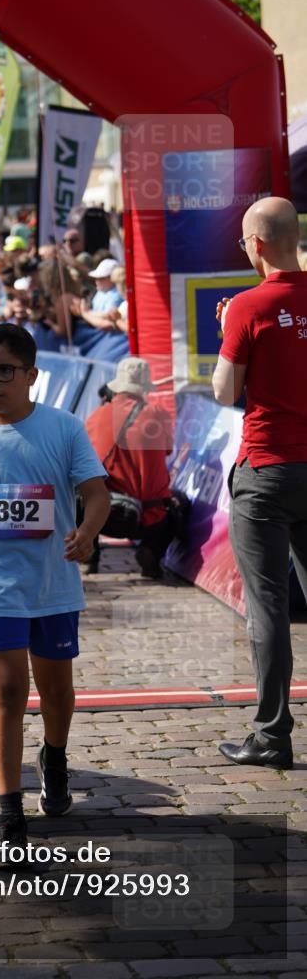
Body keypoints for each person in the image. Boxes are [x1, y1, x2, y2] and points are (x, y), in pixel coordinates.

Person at [0, 323, 110, 853]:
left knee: (56, 691)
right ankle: (10, 813)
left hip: (53, 582)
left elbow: (96, 493)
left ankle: (53, 759)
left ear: (32, 375)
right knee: (8, 692)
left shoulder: (63, 428)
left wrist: (86, 532)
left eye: (3, 371)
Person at [212, 196, 307, 770]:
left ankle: (272, 736)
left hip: (268, 469)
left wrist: (229, 327)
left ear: (259, 244)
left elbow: (225, 393)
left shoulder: (248, 306)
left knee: (268, 607)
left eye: (245, 242)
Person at [85, 357, 178, 577]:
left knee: (83, 494)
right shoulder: (157, 414)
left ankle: (90, 550)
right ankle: (150, 551)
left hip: (100, 515)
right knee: (177, 511)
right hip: (148, 517)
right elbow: (167, 450)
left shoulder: (95, 416)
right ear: (144, 388)